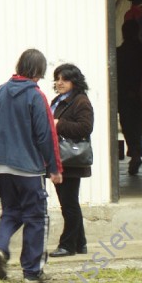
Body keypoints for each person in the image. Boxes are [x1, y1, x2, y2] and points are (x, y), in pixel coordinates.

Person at [0, 48, 63, 283]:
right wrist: (54, 167)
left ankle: (0, 247)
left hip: (3, 167)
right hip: (29, 168)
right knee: (36, 217)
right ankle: (32, 272)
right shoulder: (36, 95)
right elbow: (46, 135)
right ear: (39, 71)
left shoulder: (0, 91)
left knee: (10, 212)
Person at [49, 63, 94, 257]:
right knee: (69, 201)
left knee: (69, 203)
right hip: (60, 158)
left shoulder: (80, 101)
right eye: (57, 79)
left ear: (74, 81)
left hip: (71, 159)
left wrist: (60, 124)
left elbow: (85, 128)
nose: (60, 83)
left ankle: (67, 244)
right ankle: (80, 243)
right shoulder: (58, 100)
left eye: (64, 79)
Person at [115, 18, 142, 176]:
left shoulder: (119, 52)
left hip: (123, 95)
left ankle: (134, 152)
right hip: (139, 95)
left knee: (127, 125)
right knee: (138, 125)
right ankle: (136, 152)